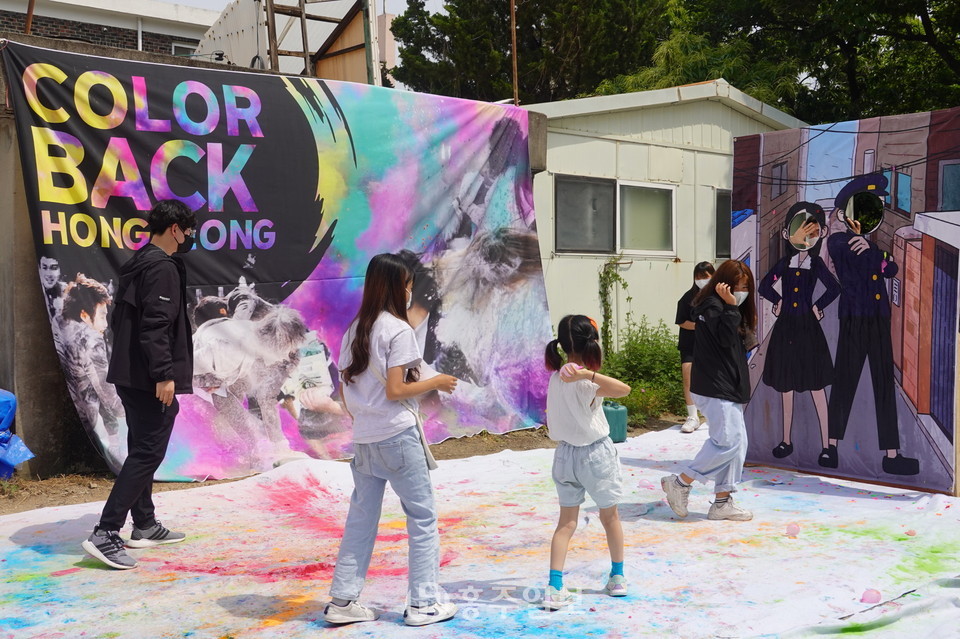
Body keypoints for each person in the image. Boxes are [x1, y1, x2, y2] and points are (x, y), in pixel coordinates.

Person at [324, 253, 459, 627]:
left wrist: (365, 418)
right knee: (422, 517)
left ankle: (343, 600)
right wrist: (437, 381)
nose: (410, 290)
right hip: (397, 437)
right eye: (407, 284)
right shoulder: (397, 330)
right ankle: (423, 604)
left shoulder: (354, 330)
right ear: (396, 287)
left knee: (361, 520)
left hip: (365, 440)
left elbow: (345, 388)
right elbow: (398, 389)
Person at [81, 200, 197, 570]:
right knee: (149, 448)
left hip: (130, 373)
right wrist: (164, 374)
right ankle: (106, 531)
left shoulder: (138, 261)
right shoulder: (161, 267)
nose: (189, 238)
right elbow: (155, 326)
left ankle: (144, 523)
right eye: (189, 231)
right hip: (148, 375)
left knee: (141, 441)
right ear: (175, 228)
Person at [824, 175, 919, 475]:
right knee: (845, 381)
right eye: (864, 210)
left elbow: (891, 267)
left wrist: (873, 252)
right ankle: (831, 447)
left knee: (883, 383)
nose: (871, 217)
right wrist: (871, 252)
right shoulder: (837, 240)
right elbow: (864, 261)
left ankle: (892, 454)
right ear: (843, 214)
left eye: (875, 210)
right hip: (854, 317)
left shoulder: (870, 244)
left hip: (878, 318)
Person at [542, 315, 631, 610]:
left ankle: (555, 586)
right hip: (595, 456)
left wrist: (582, 375)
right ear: (592, 342)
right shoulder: (584, 381)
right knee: (611, 518)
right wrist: (588, 376)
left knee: (565, 524)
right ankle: (617, 577)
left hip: (565, 456)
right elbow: (624, 389)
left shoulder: (556, 379)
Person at [661, 259, 756, 521]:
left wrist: (733, 308)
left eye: (745, 286)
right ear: (722, 283)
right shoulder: (714, 306)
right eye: (737, 285)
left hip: (727, 385)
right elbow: (725, 339)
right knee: (728, 442)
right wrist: (730, 307)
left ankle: (723, 502)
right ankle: (680, 482)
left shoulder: (723, 307)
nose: (741, 290)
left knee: (737, 444)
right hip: (716, 386)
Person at [759, 202, 840, 460]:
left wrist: (818, 306)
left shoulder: (815, 265)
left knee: (816, 386)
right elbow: (764, 286)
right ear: (787, 234)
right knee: (786, 386)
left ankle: (827, 445)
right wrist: (777, 300)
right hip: (786, 329)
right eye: (799, 231)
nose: (805, 238)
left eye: (812, 233)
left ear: (821, 234)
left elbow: (834, 288)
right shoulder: (785, 263)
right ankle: (786, 440)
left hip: (807, 329)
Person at [676, 261, 715, 433]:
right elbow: (682, 322)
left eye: (706, 277)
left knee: (713, 378)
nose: (703, 280)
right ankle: (692, 416)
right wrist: (701, 326)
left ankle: (712, 414)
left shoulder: (718, 296)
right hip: (690, 345)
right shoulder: (687, 298)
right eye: (699, 277)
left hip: (712, 346)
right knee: (688, 375)